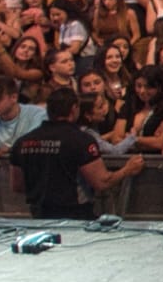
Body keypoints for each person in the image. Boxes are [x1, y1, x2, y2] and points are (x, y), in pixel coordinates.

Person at [8, 87, 144, 218]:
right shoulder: (81, 140)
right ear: (74, 109)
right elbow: (101, 182)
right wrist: (127, 169)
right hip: (75, 214)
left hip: (39, 214)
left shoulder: (22, 142)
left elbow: (18, 185)